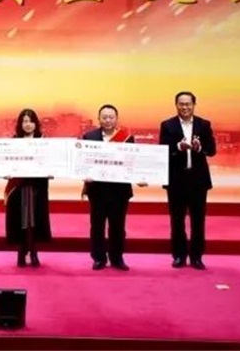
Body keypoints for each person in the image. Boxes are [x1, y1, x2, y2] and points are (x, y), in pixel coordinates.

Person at [81, 104, 144, 271]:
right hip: (97, 190)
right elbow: (83, 161)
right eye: (104, 117)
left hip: (119, 191)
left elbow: (133, 163)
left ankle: (117, 258)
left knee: (118, 226)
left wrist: (140, 177)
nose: (108, 120)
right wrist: (84, 175)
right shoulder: (89, 137)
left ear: (116, 119)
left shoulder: (127, 138)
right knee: (97, 226)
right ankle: (99, 258)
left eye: (111, 117)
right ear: (99, 119)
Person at [159, 91, 216, 270]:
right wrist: (178, 147)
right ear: (176, 105)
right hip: (176, 180)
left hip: (198, 181)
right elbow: (163, 150)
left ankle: (197, 257)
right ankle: (179, 256)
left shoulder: (204, 124)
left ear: (194, 105)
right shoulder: (167, 125)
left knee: (198, 221)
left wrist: (199, 147)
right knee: (177, 221)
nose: (185, 107)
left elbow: (212, 150)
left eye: (188, 104)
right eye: (181, 104)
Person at [4, 108, 51, 267]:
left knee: (34, 220)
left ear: (36, 124)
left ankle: (33, 252)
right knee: (22, 220)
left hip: (37, 186)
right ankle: (22, 251)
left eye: (31, 121)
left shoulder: (43, 142)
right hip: (19, 186)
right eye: (24, 121)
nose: (28, 124)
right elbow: (6, 162)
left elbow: (50, 162)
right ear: (20, 124)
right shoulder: (14, 142)